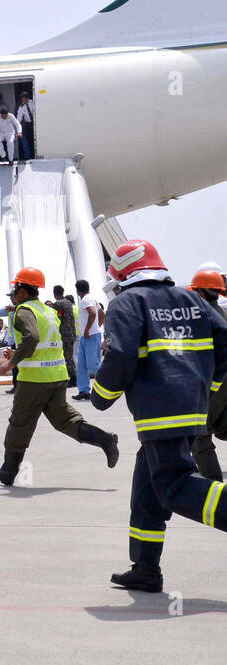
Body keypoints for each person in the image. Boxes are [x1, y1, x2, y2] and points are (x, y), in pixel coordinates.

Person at [90, 241, 227, 592]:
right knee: (147, 487)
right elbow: (225, 342)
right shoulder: (193, 299)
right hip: (192, 408)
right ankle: (145, 567)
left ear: (124, 273)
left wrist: (101, 395)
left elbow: (119, 356)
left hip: (159, 413)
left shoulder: (128, 302)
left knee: (174, 486)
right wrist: (208, 389)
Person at [0, 267, 120, 486]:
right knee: (64, 420)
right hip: (57, 375)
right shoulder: (47, 311)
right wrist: (17, 353)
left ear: (24, 291)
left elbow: (33, 337)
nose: (14, 294)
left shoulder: (24, 311)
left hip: (34, 379)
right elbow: (42, 342)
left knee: (20, 424)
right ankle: (104, 440)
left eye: (15, 289)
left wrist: (11, 362)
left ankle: (8, 471)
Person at [187, 269, 227, 481]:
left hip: (213, 382)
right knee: (220, 426)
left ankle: (215, 486)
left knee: (200, 435)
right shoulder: (222, 312)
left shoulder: (200, 316)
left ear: (199, 291)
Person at [74, 280, 104, 401]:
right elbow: (102, 314)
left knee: (93, 364)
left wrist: (88, 330)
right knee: (81, 364)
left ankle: (109, 382)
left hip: (89, 336)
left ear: (77, 290)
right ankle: (84, 391)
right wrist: (97, 327)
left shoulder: (86, 300)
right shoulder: (92, 298)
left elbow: (92, 313)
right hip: (87, 336)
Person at [17, 92, 36, 160]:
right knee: (29, 140)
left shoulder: (34, 102)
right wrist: (18, 128)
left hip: (36, 123)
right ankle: (28, 156)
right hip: (29, 124)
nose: (23, 101)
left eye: (24, 99)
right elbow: (19, 118)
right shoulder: (21, 107)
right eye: (22, 100)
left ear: (28, 98)